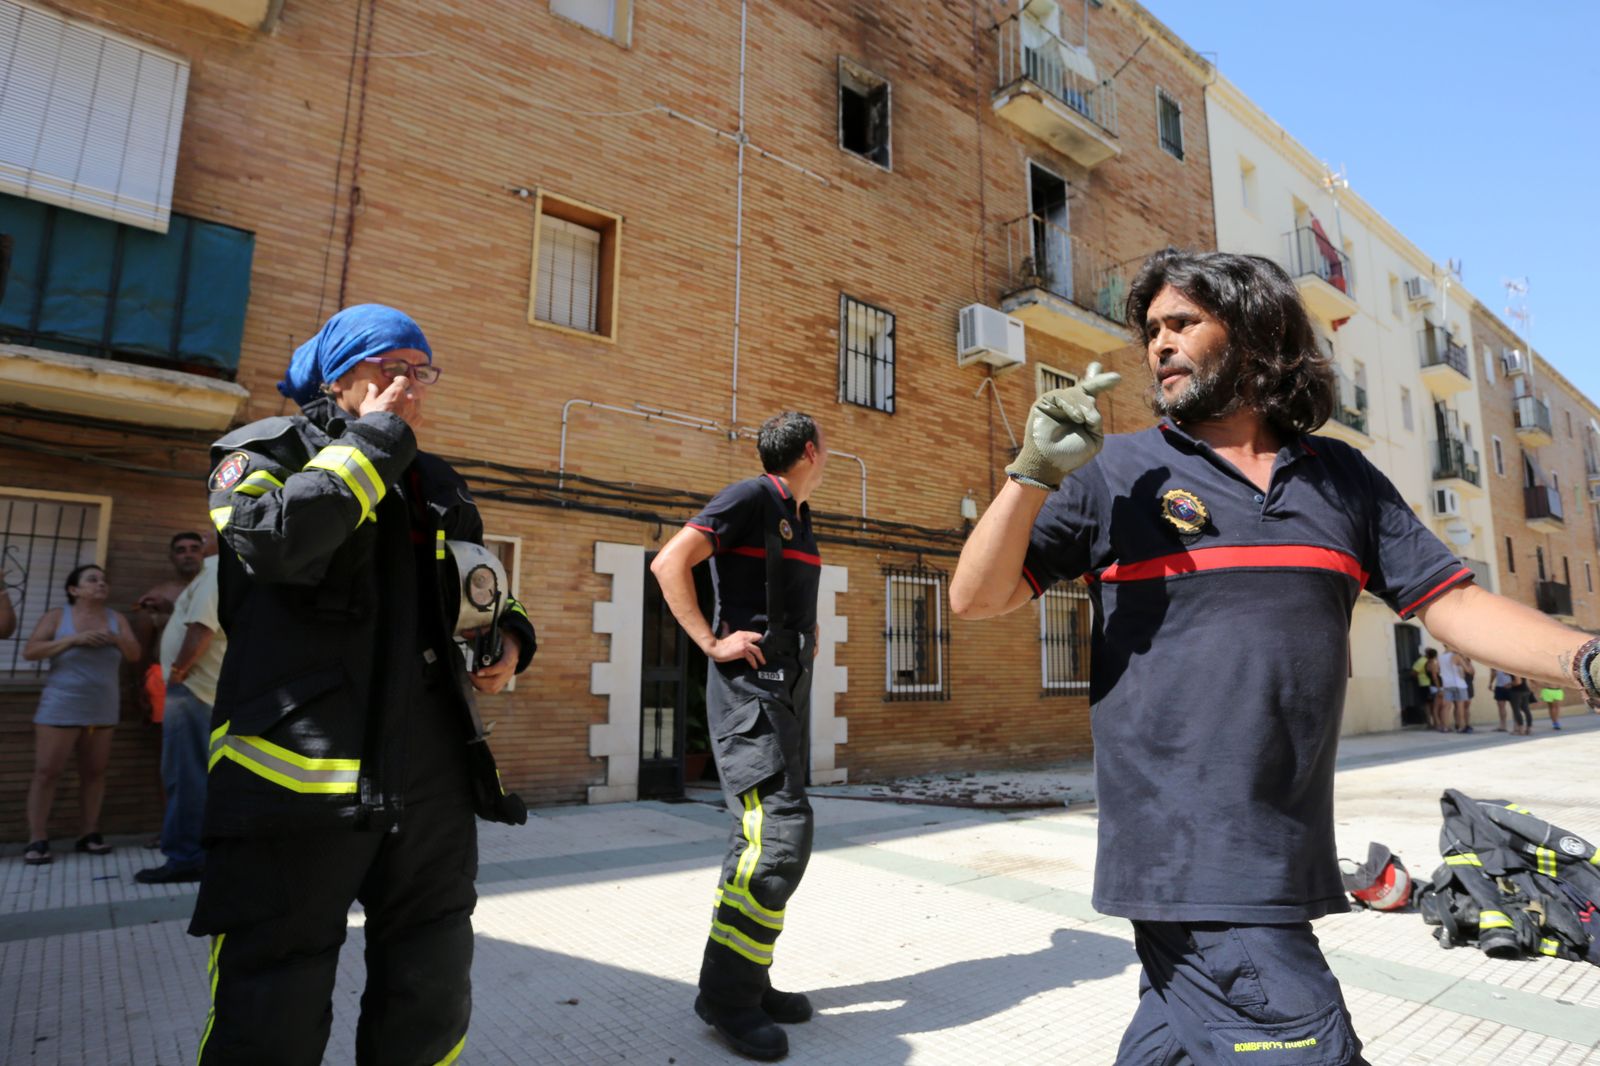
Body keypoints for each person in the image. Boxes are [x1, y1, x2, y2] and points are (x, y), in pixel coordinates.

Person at [949, 248, 1600, 1066]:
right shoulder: (1115, 472)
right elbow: (976, 597)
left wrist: (1587, 660)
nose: (1159, 343)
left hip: (1286, 846)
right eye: (1151, 330)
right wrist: (1032, 473)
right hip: (1189, 854)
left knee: (1175, 1042)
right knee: (1308, 1049)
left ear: (1255, 333)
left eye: (1183, 323)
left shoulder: (1343, 479)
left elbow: (1454, 604)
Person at [189, 305, 537, 1066]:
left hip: (430, 776)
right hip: (296, 778)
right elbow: (275, 543)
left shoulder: (435, 482)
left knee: (430, 982)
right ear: (337, 376)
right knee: (272, 994)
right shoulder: (260, 451)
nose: (409, 383)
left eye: (420, 369)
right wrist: (375, 441)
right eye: (390, 366)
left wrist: (511, 635)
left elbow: (482, 586)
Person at [650, 410, 828, 1062]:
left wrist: (810, 635)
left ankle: (746, 978)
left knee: (760, 838)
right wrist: (710, 641)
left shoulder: (800, 516)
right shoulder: (751, 496)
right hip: (750, 693)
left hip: (786, 690)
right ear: (810, 450)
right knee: (778, 834)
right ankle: (727, 998)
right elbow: (670, 562)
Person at [21, 564, 141, 864]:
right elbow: (31, 651)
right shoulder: (57, 616)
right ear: (74, 590)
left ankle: (89, 833)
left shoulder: (116, 619)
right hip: (61, 705)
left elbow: (134, 655)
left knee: (94, 773)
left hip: (102, 707)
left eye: (103, 580)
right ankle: (37, 838)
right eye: (92, 580)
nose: (101, 584)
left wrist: (115, 639)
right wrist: (74, 639)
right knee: (47, 772)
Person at [135, 535, 225, 884]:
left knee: (185, 777)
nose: (200, 541)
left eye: (204, 537)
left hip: (192, 690)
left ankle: (187, 858)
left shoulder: (215, 571)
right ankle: (196, 854)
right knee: (189, 775)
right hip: (194, 690)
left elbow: (203, 628)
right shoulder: (208, 575)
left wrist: (177, 672)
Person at [1440, 645, 1472, 733]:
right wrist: (1465, 660)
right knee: (1460, 706)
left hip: (1447, 684)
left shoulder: (1441, 657)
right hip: (1458, 684)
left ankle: (1445, 727)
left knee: (1446, 707)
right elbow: (1468, 670)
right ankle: (1461, 727)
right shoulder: (1456, 656)